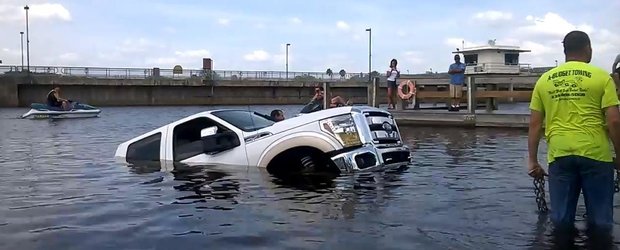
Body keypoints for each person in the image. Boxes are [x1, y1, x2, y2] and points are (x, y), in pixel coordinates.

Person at [528, 30, 620, 236]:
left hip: (560, 155)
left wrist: (533, 161)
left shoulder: (544, 80)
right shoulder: (602, 78)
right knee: (602, 221)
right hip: (596, 155)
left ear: (564, 51)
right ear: (588, 49)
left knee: (560, 220)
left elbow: (535, 125)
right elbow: (614, 120)